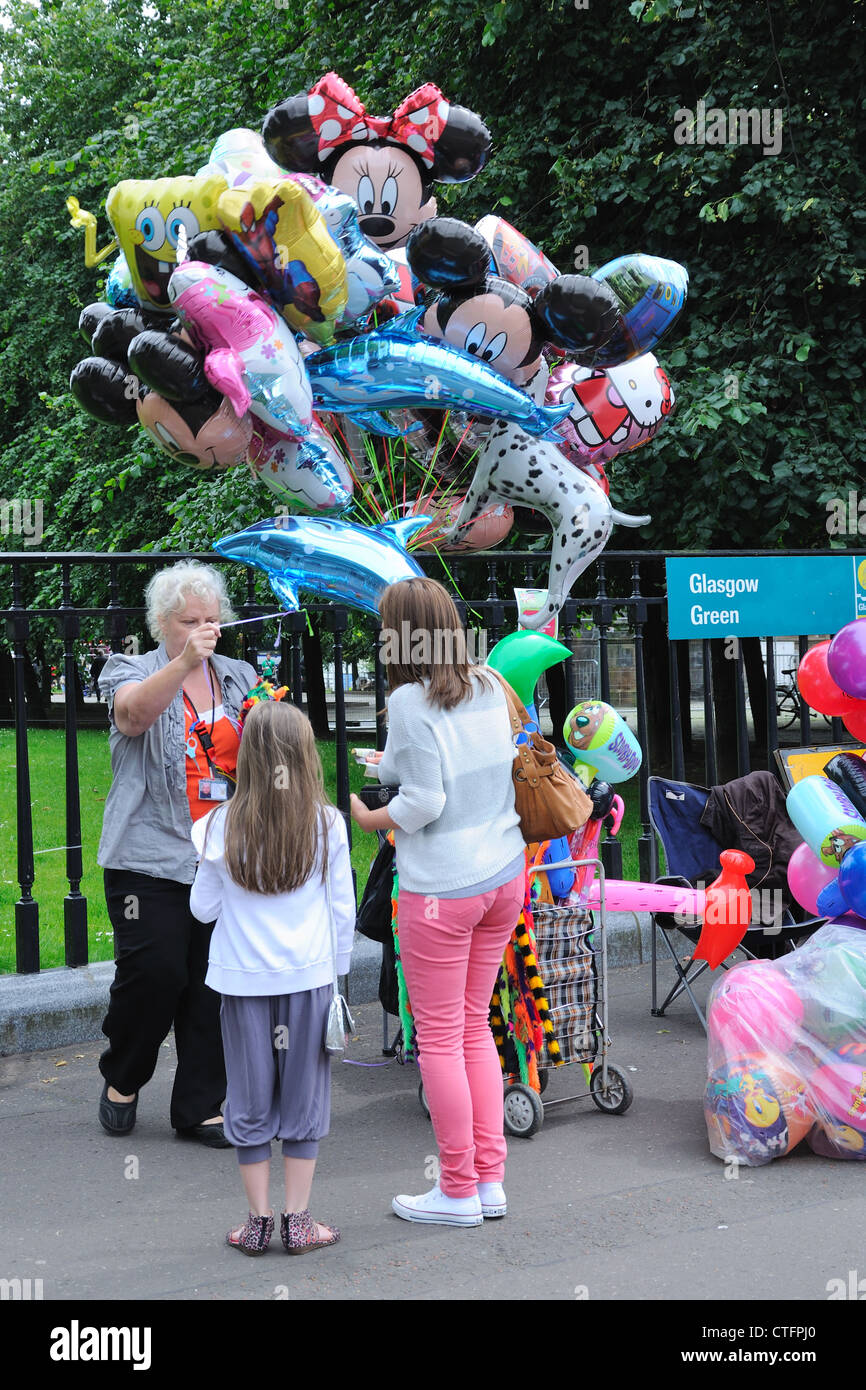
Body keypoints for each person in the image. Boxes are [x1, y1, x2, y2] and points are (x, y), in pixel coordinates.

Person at [350, 577, 526, 1227]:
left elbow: (424, 803)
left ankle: (455, 1189)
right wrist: (388, 766)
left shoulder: (406, 701)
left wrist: (368, 817)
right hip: (502, 878)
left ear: (399, 635)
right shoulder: (486, 683)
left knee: (438, 1042)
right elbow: (460, 768)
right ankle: (488, 1181)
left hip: (441, 893)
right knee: (473, 1026)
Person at [96, 561, 258, 1147]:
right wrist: (184, 662)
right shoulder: (129, 669)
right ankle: (124, 1074)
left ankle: (200, 1106)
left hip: (223, 855)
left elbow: (266, 750)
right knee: (154, 973)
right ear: (163, 623)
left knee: (213, 983)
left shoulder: (239, 675)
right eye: (189, 620)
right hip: (148, 855)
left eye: (211, 620)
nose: (202, 630)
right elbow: (133, 717)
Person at [189, 700, 355, 1255]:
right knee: (305, 1098)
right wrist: (339, 977)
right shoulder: (327, 824)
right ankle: (299, 1220)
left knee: (249, 1097)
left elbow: (202, 911)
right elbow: (341, 912)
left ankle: (257, 1222)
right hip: (309, 981)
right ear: (305, 757)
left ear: (250, 759)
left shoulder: (217, 826)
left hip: (241, 984)